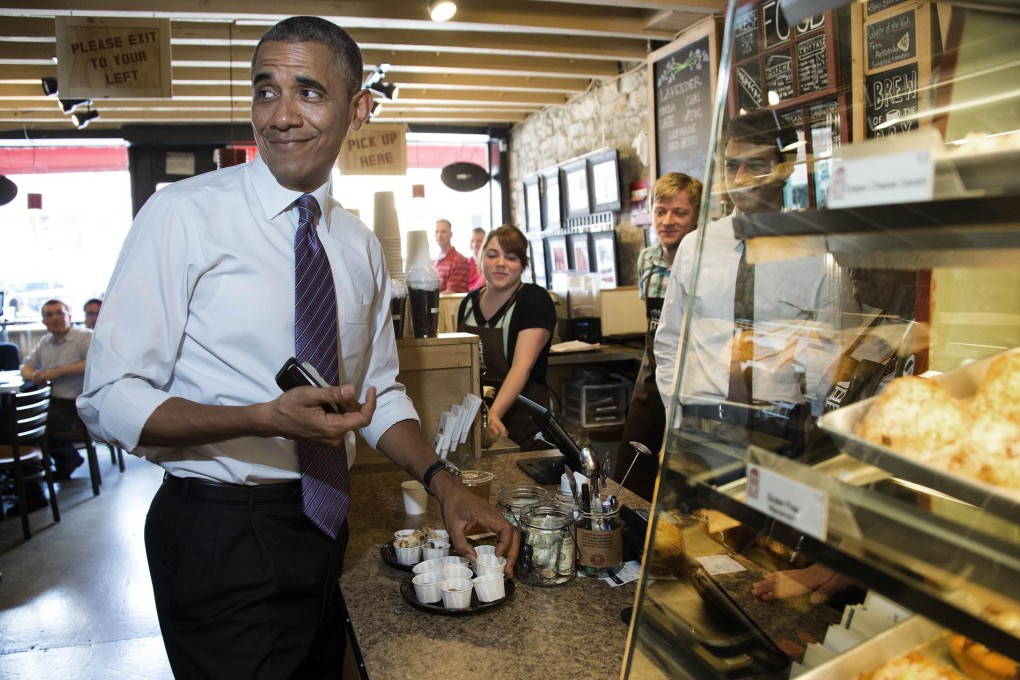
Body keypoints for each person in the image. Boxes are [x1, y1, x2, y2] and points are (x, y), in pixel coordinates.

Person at [77, 16, 517, 679]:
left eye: (308, 91)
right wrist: (260, 417)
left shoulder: (359, 246)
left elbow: (380, 391)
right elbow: (108, 398)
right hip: (220, 534)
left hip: (322, 528)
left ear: (358, 108)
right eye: (265, 90)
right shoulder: (183, 217)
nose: (280, 115)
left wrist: (442, 483)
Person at [653, 109, 842, 458]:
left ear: (785, 167)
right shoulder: (696, 247)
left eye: (755, 165)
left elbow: (830, 353)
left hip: (778, 430)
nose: (739, 177)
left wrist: (815, 432)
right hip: (700, 424)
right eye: (730, 165)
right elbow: (669, 341)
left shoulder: (816, 255)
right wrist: (674, 417)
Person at [613, 172, 702, 501]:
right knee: (631, 476)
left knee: (681, 486)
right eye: (661, 211)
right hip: (650, 378)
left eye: (680, 213)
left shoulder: (706, 262)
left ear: (697, 217)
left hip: (693, 381)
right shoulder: (647, 259)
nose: (668, 221)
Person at [457, 224, 556, 449]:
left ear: (523, 265)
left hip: (525, 419)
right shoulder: (468, 304)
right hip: (480, 419)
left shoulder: (534, 300)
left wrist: (494, 414)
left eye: (511, 257)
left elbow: (522, 367)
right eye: (492, 255)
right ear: (481, 258)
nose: (500, 263)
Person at [21, 298, 91, 480]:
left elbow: (94, 364)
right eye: (49, 315)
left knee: (27, 425)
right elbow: (26, 366)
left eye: (59, 313)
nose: (55, 318)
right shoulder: (45, 341)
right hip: (51, 401)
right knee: (13, 420)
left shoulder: (85, 336)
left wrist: (58, 372)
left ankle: (34, 481)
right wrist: (33, 375)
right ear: (43, 321)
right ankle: (63, 461)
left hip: (75, 404)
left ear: (69, 315)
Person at [433, 218, 472, 293]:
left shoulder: (459, 261)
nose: (439, 235)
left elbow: (451, 293)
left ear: (451, 234)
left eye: (443, 231)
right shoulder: (435, 262)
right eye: (437, 231)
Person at [467, 226, 486, 291]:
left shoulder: (488, 264)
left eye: (479, 241)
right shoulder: (464, 263)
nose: (474, 245)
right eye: (472, 241)